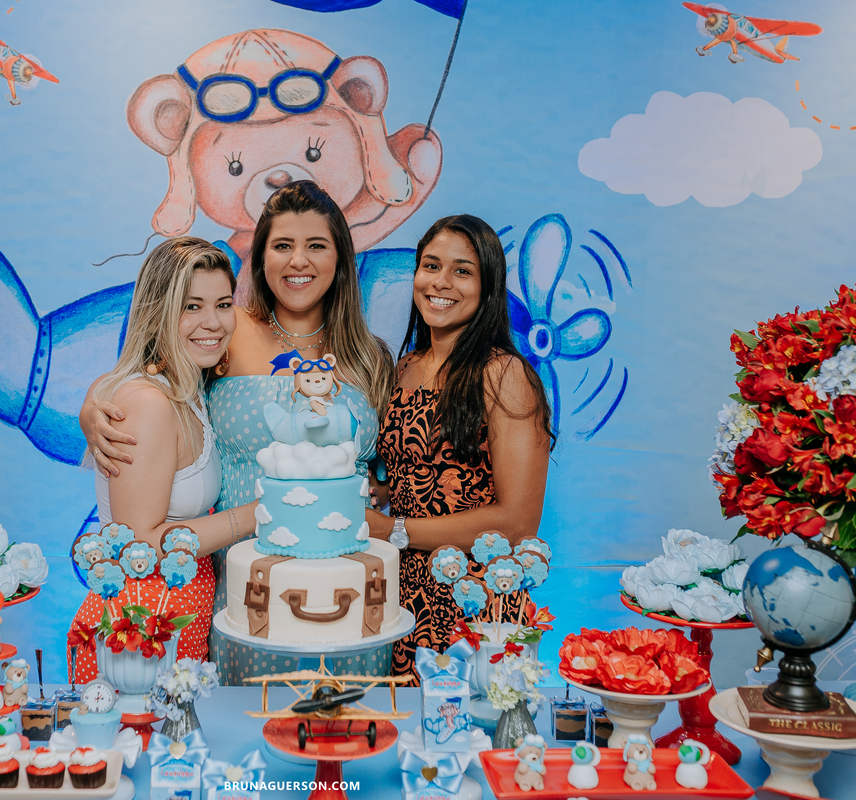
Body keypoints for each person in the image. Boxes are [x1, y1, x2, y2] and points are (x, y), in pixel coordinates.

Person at [81, 181, 395, 683]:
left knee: (344, 726)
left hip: (345, 585)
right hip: (235, 580)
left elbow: (379, 470)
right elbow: (149, 371)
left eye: (317, 245)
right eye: (282, 246)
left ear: (341, 258)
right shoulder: (228, 329)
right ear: (260, 258)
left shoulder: (368, 356)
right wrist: (93, 406)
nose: (299, 261)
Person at [366, 214, 553, 681]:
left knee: (472, 739)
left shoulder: (505, 375)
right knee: (404, 741)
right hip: (399, 592)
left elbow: (517, 520)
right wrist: (375, 496)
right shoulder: (404, 367)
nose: (441, 282)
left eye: (462, 270)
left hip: (472, 594)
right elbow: (418, 476)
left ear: (488, 287)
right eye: (431, 266)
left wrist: (394, 528)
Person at [69, 236, 256, 683]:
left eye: (223, 304)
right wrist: (258, 515)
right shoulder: (150, 403)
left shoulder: (190, 389)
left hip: (178, 618)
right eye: (191, 306)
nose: (213, 322)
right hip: (137, 633)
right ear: (158, 313)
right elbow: (141, 543)